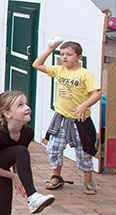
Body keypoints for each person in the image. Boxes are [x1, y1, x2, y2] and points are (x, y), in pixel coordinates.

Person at [34, 39, 102, 196]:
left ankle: (88, 180)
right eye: (62, 54)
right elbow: (37, 65)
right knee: (54, 149)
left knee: (84, 152)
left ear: (79, 57)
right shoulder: (59, 70)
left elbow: (96, 94)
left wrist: (84, 105)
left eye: (69, 54)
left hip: (80, 121)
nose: (65, 57)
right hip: (61, 119)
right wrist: (50, 49)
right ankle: (56, 176)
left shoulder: (85, 74)